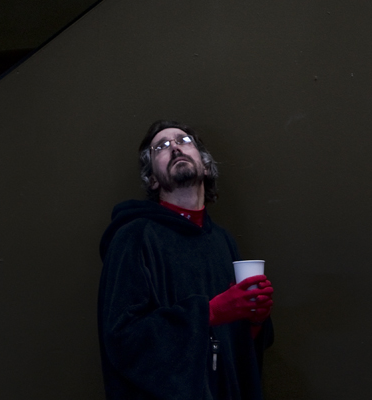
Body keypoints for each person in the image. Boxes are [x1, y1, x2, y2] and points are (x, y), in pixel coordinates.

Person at [98, 120, 274, 399]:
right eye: (161, 147)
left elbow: (236, 350)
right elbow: (122, 338)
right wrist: (210, 312)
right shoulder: (134, 236)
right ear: (153, 179)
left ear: (205, 166)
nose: (175, 148)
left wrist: (255, 320)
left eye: (184, 141)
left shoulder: (222, 240)